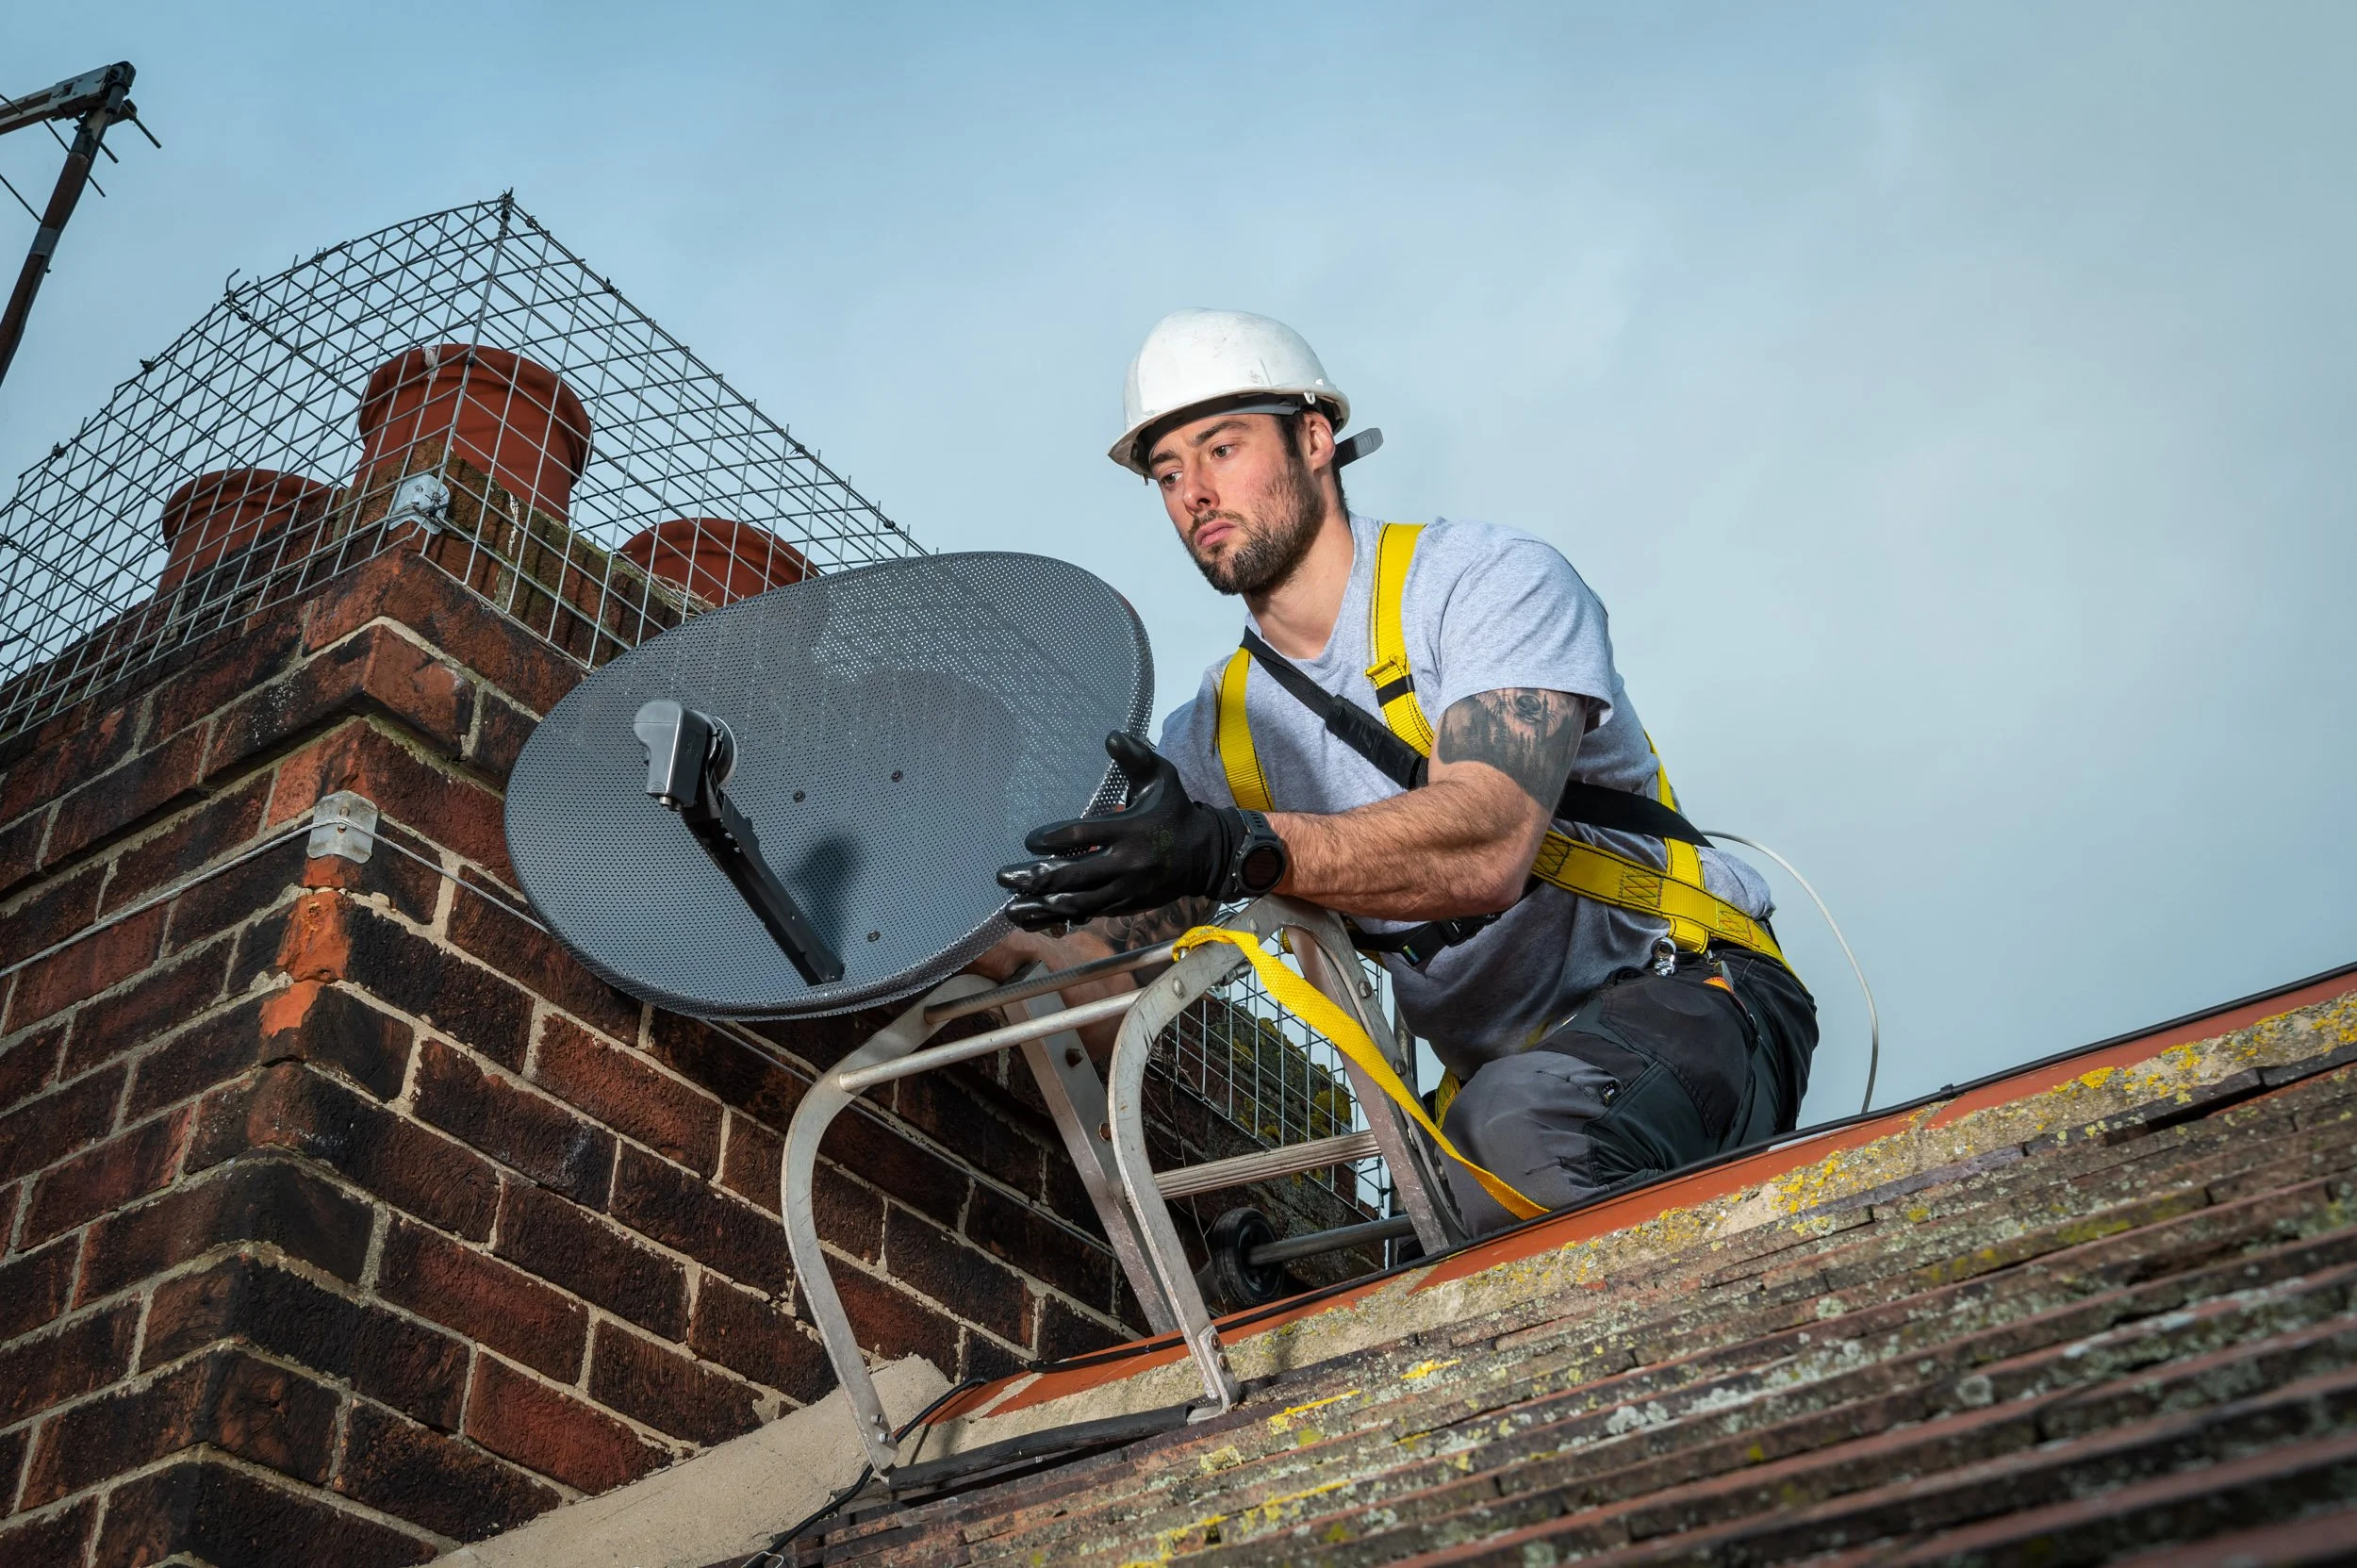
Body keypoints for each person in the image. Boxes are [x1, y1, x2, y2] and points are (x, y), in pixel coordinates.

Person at [984, 308, 1817, 1234]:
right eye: (1168, 472)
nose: (1193, 493)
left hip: (1694, 1003)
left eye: (1220, 449)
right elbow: (1098, 956)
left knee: (1512, 1141)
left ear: (1313, 439)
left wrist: (1242, 844)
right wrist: (974, 943)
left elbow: (1487, 838)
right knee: (1463, 1186)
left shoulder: (1484, 585)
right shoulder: (1216, 741)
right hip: (1494, 1101)